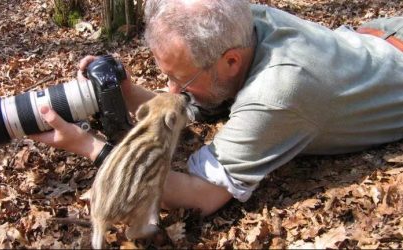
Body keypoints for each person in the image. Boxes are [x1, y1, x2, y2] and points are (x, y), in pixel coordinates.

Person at [30, 0, 403, 216]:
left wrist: (87, 146)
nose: (173, 90)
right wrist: (124, 89)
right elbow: (189, 104)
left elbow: (200, 195)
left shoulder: (279, 92)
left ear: (230, 62)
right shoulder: (238, 20)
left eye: (183, 80)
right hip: (375, 36)